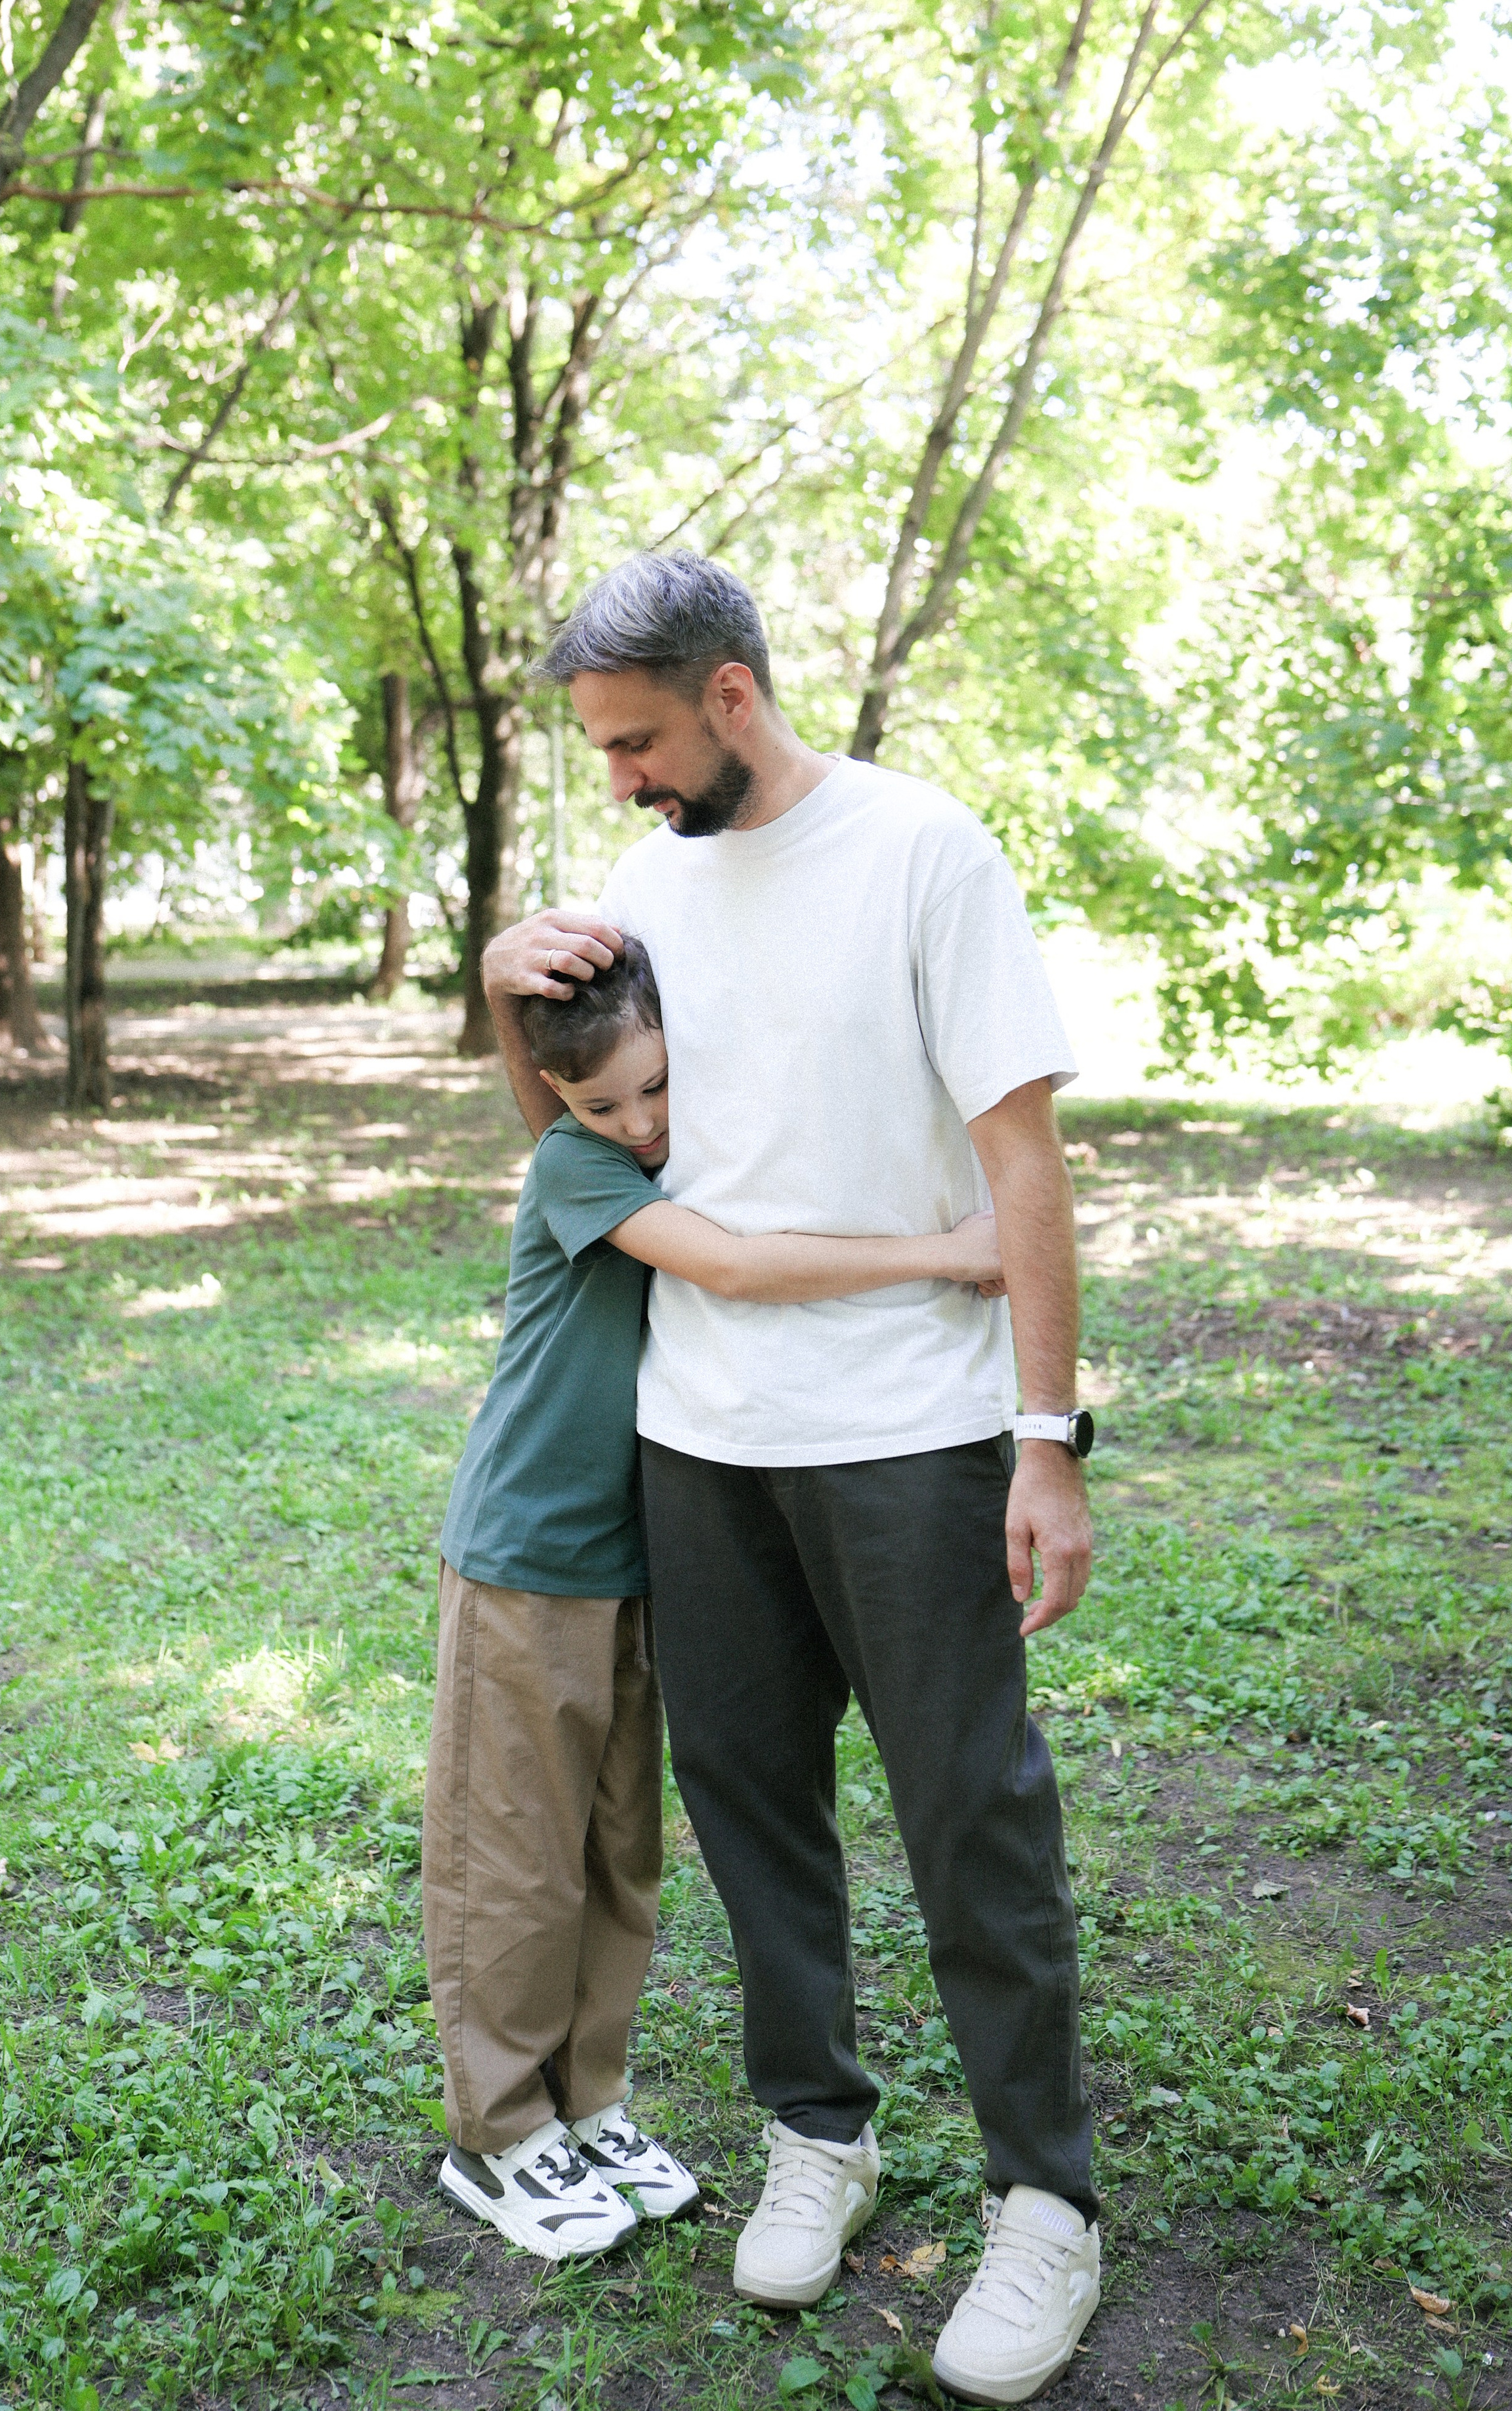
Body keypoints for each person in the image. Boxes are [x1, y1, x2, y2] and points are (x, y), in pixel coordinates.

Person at [482, 550, 1100, 2406]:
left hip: (909, 1434)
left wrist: (1046, 1439)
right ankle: (817, 2132)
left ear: (732, 693)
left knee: (969, 1813)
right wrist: (506, 987)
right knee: (750, 1812)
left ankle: (1042, 2202)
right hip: (702, 1438)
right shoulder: (639, 886)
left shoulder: (925, 851)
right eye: (603, 751)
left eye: (640, 741)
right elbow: (584, 1122)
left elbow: (1025, 1161)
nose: (624, 782)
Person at [425, 933, 1007, 2264]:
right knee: (513, 1853)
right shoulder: (580, 1165)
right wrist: (945, 1248)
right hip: (525, 1558)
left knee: (618, 1848)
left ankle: (590, 2100)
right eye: (598, 1105)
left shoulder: (674, 1149)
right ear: (559, 1103)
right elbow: (736, 1270)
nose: (635, 1126)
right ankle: (499, 2132)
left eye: (652, 1092)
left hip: (638, 1560)